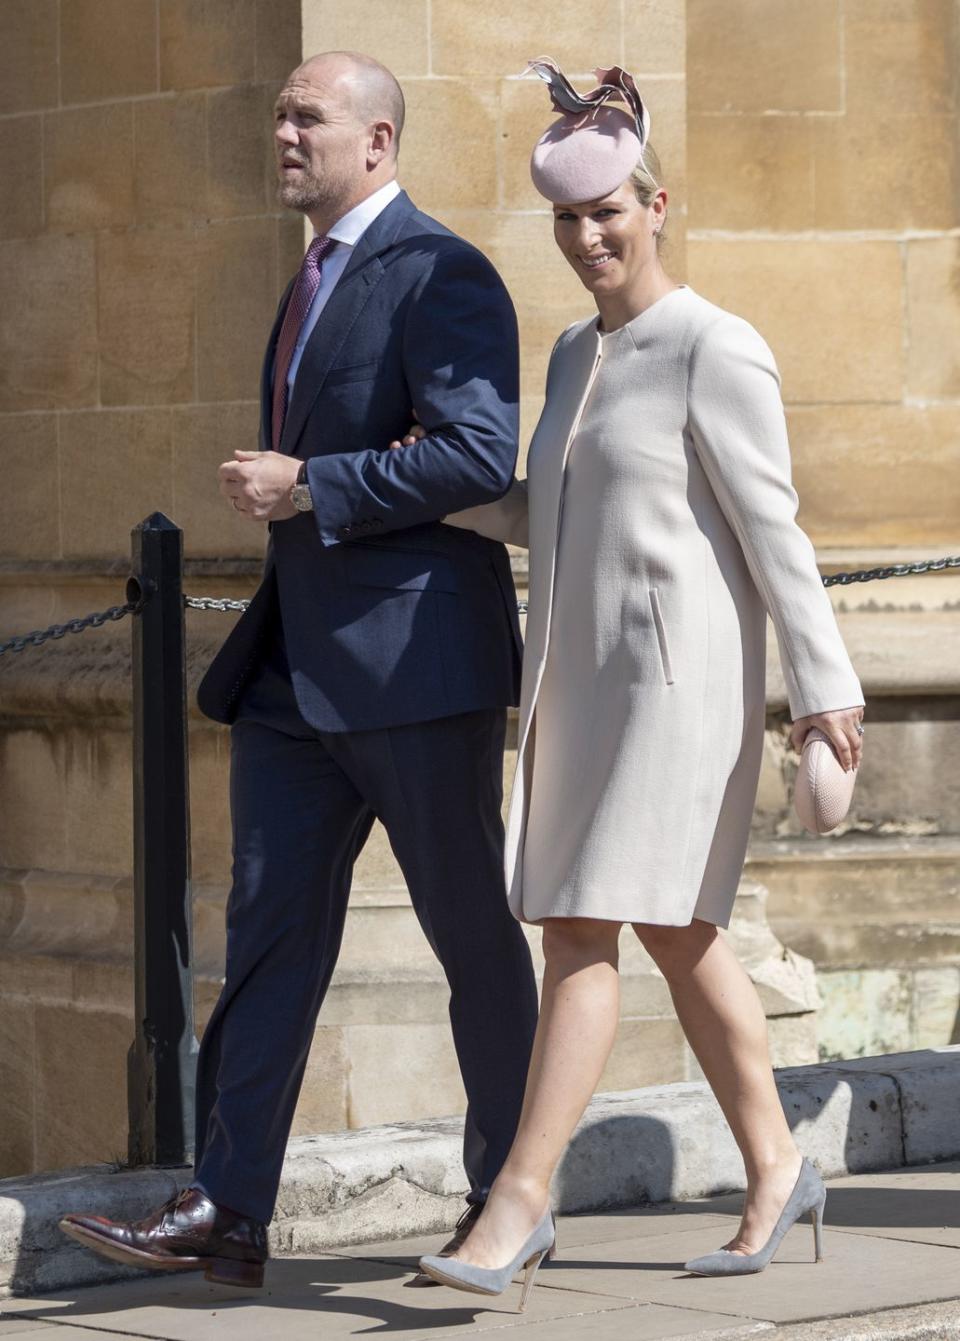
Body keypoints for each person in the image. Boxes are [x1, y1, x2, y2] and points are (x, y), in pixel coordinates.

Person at [59, 49, 539, 1289]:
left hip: (418, 666)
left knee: (468, 937)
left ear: (376, 142)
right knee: (267, 933)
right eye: (278, 113)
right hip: (296, 674)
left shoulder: (443, 270)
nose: (281, 133)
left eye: (306, 116)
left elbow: (481, 452)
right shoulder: (312, 275)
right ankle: (229, 1209)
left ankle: (509, 1196)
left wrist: (308, 484)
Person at [416, 61, 865, 1303]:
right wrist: (415, 487)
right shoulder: (571, 354)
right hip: (582, 688)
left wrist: (830, 693)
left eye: (607, 211)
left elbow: (778, 531)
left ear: (656, 205)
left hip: (680, 693)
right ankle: (780, 1165)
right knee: (678, 931)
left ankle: (516, 1204)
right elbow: (545, 508)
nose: (587, 237)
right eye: (567, 218)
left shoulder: (717, 346)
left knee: (578, 932)